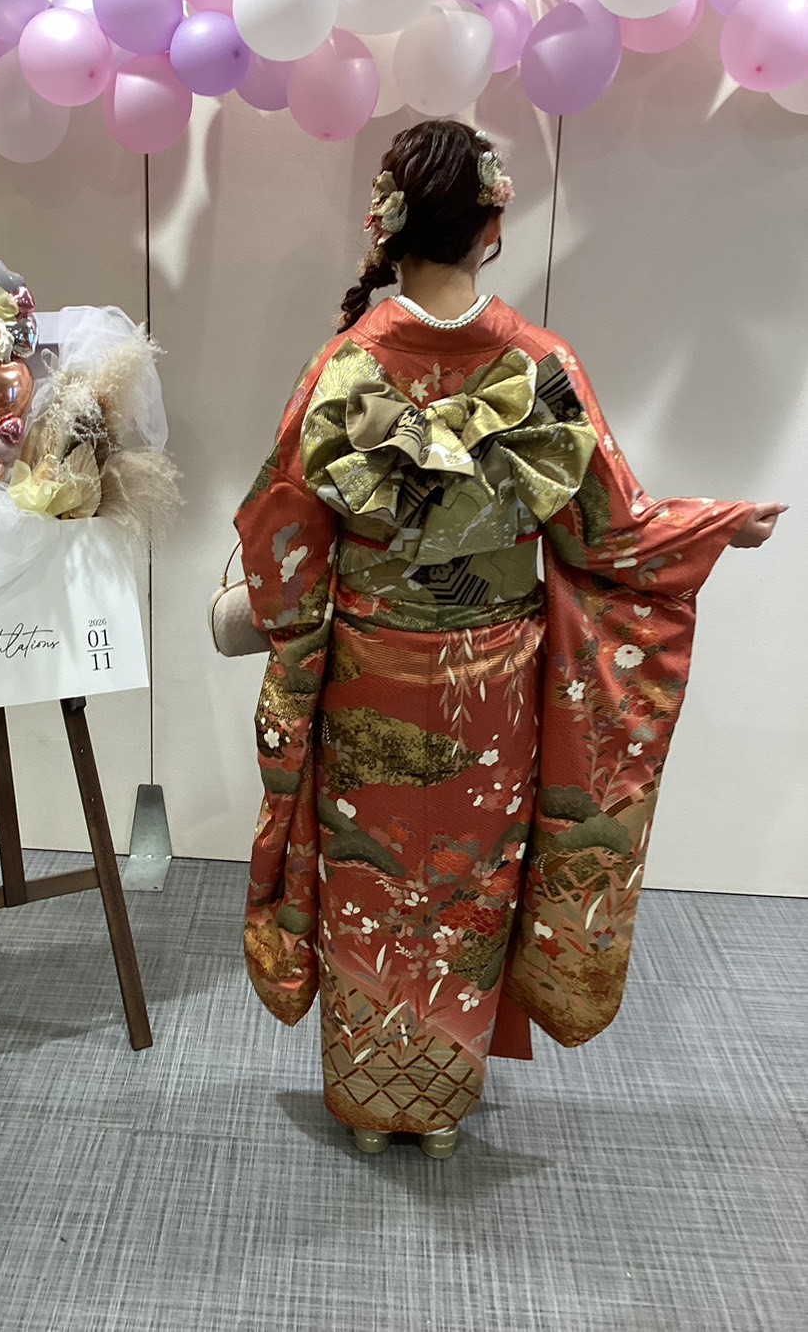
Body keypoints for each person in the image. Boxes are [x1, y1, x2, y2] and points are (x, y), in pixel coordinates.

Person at [234, 119, 785, 1159]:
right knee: (466, 878)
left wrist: (281, 621)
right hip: (491, 684)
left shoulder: (343, 364)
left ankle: (369, 1098)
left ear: (385, 227)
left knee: (372, 875)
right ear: (492, 226)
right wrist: (713, 525)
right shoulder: (542, 365)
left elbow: (282, 531)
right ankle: (442, 1102)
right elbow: (612, 531)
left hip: (365, 674)